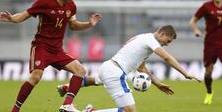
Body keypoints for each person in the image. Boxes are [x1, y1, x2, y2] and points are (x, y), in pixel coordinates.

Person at [0, 0, 102, 112]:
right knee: (36, 76)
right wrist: (12, 18)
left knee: (80, 70)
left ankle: (66, 105)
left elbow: (73, 25)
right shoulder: (44, 2)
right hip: (41, 46)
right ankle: (15, 110)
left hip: (57, 50)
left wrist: (89, 24)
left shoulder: (71, 6)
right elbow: (25, 15)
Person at [58, 25, 201, 112]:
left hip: (108, 66)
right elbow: (167, 58)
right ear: (162, 34)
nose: (167, 44)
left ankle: (66, 87)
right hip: (116, 72)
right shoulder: (151, 41)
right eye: (167, 41)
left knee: (94, 80)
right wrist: (186, 73)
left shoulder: (142, 38)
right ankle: (90, 111)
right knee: (129, 111)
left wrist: (158, 84)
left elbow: (142, 68)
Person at [189, 0, 222, 105]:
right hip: (210, 43)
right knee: (208, 72)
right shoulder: (207, 6)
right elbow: (193, 21)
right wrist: (196, 30)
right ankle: (209, 92)